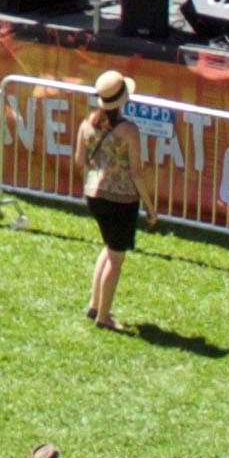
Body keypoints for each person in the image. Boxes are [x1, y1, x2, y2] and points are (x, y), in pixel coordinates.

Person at [67, 69, 150, 331]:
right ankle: (104, 316)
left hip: (94, 195)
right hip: (121, 200)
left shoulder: (86, 125)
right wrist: (150, 206)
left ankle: (94, 304)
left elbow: (80, 161)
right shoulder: (129, 131)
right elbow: (137, 172)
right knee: (116, 258)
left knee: (109, 247)